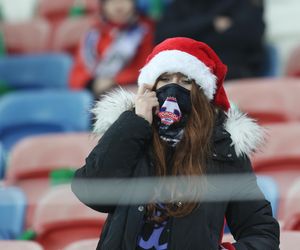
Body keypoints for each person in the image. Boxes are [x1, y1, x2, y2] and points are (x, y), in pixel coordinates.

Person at [71, 37, 280, 249]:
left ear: (201, 92)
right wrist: (135, 122)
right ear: (150, 87)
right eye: (165, 79)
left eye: (185, 81)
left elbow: (261, 231)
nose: (173, 88)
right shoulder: (130, 134)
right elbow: (91, 193)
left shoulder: (224, 148)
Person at [155, 0, 266, 80]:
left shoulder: (243, 4)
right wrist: (210, 23)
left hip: (233, 73)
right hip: (188, 72)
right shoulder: (182, 5)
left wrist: (191, 37)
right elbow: (163, 37)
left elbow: (246, 37)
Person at [70, 0, 154, 97]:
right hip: (92, 92)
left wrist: (113, 81)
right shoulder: (93, 34)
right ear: (103, 6)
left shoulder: (144, 32)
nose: (118, 7)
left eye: (124, 1)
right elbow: (77, 73)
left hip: (126, 92)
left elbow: (144, 69)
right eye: (112, 2)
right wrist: (93, 83)